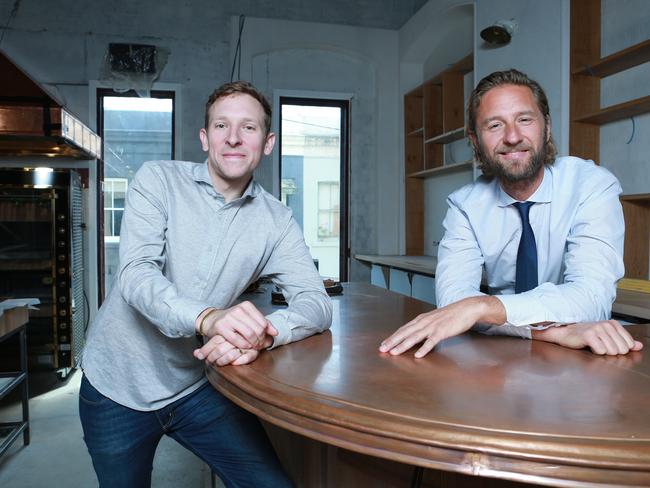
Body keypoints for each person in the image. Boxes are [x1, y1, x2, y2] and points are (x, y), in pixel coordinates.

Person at [80, 80, 332, 487]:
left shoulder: (276, 220)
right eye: (221, 126)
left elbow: (316, 304)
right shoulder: (158, 180)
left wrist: (266, 334)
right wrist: (210, 318)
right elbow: (136, 274)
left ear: (267, 143)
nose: (233, 138)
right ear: (204, 137)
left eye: (248, 128)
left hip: (197, 387)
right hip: (116, 388)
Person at [380, 69, 643, 359]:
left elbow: (591, 298)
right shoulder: (465, 207)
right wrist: (553, 332)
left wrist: (483, 307)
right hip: (505, 361)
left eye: (525, 119)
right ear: (475, 141)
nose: (513, 136)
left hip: (583, 358)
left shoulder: (591, 186)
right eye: (494, 125)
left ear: (547, 127)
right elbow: (454, 303)